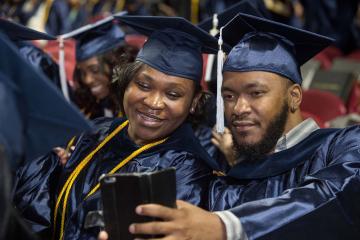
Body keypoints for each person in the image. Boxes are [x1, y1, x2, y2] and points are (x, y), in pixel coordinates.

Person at [123, 13, 360, 240]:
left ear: (295, 96)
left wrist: (225, 228)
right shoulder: (227, 183)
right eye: (228, 96)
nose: (238, 108)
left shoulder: (345, 147)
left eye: (256, 93)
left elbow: (337, 195)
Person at [13, 15, 221, 240]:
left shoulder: (188, 173)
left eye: (173, 94)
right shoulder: (96, 131)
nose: (153, 102)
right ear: (126, 82)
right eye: (143, 85)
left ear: (194, 103)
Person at [67, 15, 138, 119]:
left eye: (94, 70)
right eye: (82, 72)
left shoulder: (137, 112)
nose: (87, 80)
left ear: (117, 65)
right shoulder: (92, 108)